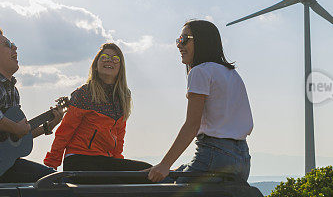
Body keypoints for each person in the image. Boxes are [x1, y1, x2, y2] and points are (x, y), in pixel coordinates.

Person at [147, 20, 253, 182]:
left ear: (202, 41)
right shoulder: (232, 74)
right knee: (177, 177)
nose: (178, 45)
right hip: (242, 159)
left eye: (183, 39)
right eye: (178, 40)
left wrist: (164, 164)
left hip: (214, 155)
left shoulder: (200, 71)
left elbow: (192, 125)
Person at [0, 26, 63, 183]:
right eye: (7, 44)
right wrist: (16, 128)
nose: (14, 47)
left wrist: (47, 127)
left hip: (0, 166)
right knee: (54, 180)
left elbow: (15, 138)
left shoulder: (12, 90)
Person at [44, 43, 150, 172]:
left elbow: (119, 137)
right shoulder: (84, 93)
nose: (109, 60)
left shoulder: (122, 97)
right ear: (95, 65)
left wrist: (120, 165)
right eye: (104, 57)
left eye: (115, 58)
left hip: (105, 161)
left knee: (146, 171)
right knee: (144, 171)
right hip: (79, 159)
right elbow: (65, 131)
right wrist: (51, 165)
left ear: (120, 68)